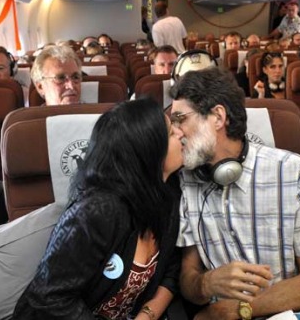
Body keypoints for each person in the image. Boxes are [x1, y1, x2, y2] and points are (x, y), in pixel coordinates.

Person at [169, 67, 300, 319]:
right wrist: (206, 283)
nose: (176, 131)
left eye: (181, 119)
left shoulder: (296, 174)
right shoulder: (188, 179)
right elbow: (189, 278)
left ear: (218, 117)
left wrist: (233, 310)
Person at [13, 98, 185, 319]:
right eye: (171, 133)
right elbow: (50, 298)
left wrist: (147, 315)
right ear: (148, 153)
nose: (181, 134)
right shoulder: (97, 212)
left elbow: (170, 267)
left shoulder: (169, 194)